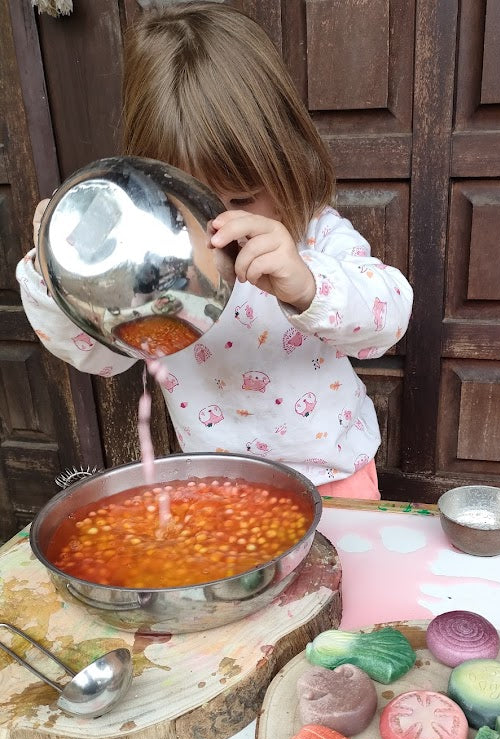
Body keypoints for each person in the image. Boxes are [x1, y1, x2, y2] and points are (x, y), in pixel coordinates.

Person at [17, 2, 412, 501]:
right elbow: (103, 358)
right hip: (217, 490)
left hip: (333, 477)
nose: (219, 229)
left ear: (287, 157)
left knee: (338, 581)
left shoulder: (314, 235)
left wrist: (308, 284)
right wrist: (55, 278)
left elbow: (390, 318)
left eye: (242, 198)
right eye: (190, 206)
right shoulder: (155, 272)